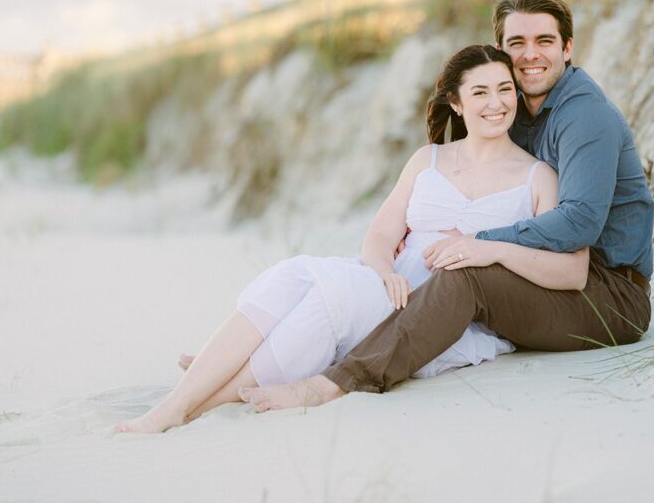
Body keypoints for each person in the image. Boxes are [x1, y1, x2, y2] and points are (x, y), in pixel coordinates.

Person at [115, 44, 586, 433]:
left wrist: (489, 249)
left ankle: (192, 400)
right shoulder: (429, 160)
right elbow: (381, 234)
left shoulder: (538, 178)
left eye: (505, 89)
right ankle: (201, 388)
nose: (496, 102)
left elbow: (568, 271)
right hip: (392, 287)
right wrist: (383, 271)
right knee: (294, 274)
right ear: (457, 104)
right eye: (480, 92)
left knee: (327, 302)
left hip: (443, 317)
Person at [239, 0, 654, 412]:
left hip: (609, 296)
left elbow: (581, 221)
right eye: (518, 44)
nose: (531, 54)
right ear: (500, 51)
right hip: (545, 274)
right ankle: (270, 360)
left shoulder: (584, 115)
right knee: (395, 276)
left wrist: (480, 238)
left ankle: (337, 383)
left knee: (465, 275)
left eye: (544, 41)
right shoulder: (520, 108)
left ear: (568, 48)